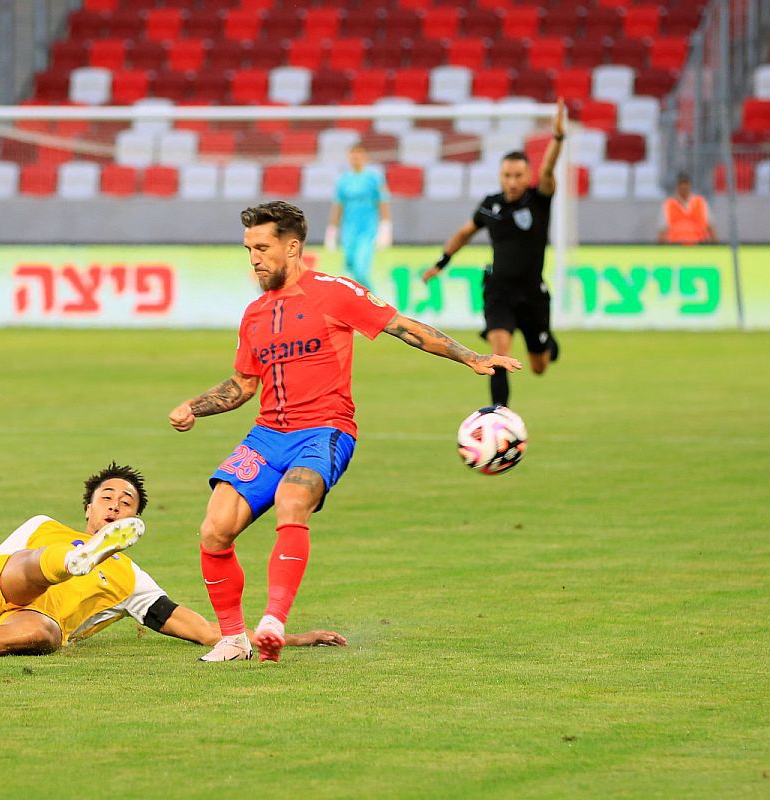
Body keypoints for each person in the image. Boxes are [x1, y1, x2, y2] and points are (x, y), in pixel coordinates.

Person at [168, 201, 521, 663]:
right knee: (214, 529)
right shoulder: (254, 314)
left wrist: (470, 357)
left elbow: (402, 327)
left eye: (262, 247)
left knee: (293, 503)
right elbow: (242, 385)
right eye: (248, 248)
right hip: (267, 436)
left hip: (324, 430)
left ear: (292, 247)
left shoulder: (334, 292)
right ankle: (234, 639)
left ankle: (273, 621)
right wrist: (194, 407)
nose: (253, 257)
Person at [0, 463, 347, 657]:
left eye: (126, 504)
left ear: (131, 522)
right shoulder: (40, 524)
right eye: (108, 497)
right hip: (2, 588)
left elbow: (207, 630)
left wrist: (290, 636)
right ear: (88, 508)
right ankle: (72, 559)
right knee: (28, 565)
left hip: (30, 624)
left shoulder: (131, 578)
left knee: (46, 637)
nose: (115, 504)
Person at [421, 99, 565, 409]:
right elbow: (464, 233)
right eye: (507, 176)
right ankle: (499, 417)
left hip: (532, 293)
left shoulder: (539, 201)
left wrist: (558, 139)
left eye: (518, 176)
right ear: (501, 176)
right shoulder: (491, 205)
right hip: (499, 290)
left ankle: (547, 340)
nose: (512, 182)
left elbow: (549, 168)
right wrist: (441, 263)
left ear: (528, 177)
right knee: (500, 351)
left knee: (540, 367)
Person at [323, 144, 393, 290]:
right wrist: (332, 230)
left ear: (365, 156)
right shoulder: (343, 180)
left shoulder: (374, 178)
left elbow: (383, 202)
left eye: (359, 154)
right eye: (352, 154)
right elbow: (338, 206)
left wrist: (385, 227)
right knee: (349, 270)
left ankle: (374, 302)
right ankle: (360, 306)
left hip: (367, 230)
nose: (355, 158)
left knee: (361, 270)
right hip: (348, 231)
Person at [657, 173, 716, 245]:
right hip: (675, 247)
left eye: (686, 183)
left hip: (699, 247)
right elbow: (662, 231)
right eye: (681, 184)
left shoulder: (701, 202)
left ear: (690, 185)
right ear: (676, 186)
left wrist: (715, 245)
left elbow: (710, 228)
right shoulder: (668, 205)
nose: (683, 186)